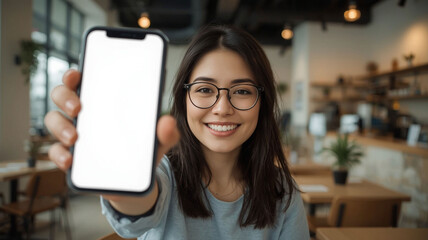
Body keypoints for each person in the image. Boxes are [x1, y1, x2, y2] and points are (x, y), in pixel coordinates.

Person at [45, 25, 309, 240]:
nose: (222, 108)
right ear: (183, 99)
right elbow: (137, 213)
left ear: (263, 103)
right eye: (205, 89)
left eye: (242, 91)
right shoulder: (163, 174)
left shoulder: (282, 191)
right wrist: (123, 188)